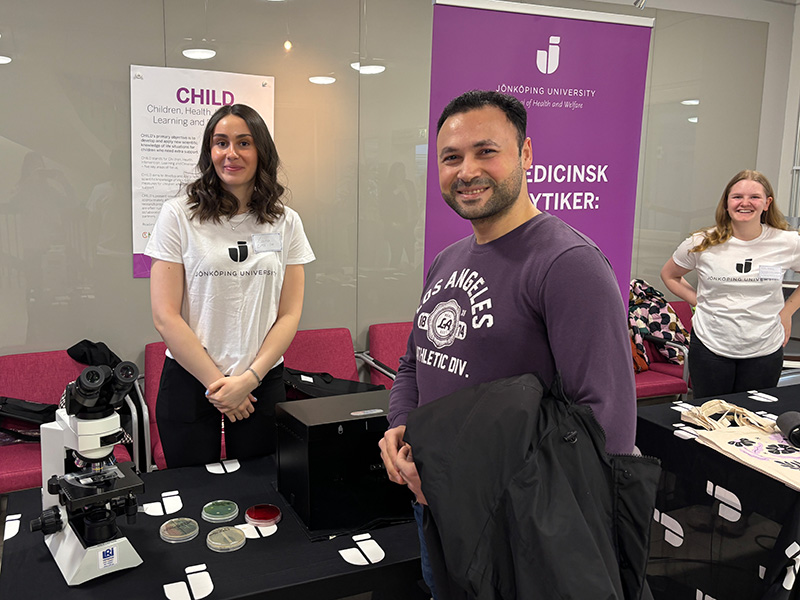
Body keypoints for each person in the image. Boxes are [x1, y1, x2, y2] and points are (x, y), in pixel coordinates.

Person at [378, 90, 636, 598]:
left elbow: (606, 430)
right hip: (433, 502)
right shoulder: (448, 259)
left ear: (525, 155)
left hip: (515, 525)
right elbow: (414, 363)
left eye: (485, 151)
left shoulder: (568, 264)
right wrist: (399, 427)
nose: (467, 170)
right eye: (451, 157)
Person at [146, 104, 315, 468]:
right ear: (210, 152)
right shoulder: (178, 215)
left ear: (261, 152)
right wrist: (220, 386)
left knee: (260, 492)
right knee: (191, 493)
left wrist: (249, 380)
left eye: (244, 142)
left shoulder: (286, 223)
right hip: (191, 379)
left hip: (261, 380)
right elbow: (165, 316)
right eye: (221, 142)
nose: (231, 153)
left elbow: (289, 314)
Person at [661, 169, 800, 399]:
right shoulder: (702, 242)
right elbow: (669, 275)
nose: (745, 203)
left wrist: (787, 313)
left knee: (754, 422)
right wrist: (700, 301)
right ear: (726, 203)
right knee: (710, 421)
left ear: (767, 203)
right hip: (710, 347)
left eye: (754, 197)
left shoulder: (788, 242)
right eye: (737, 197)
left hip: (764, 348)